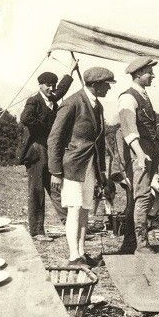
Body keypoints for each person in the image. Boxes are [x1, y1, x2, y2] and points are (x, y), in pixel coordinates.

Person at [48, 67, 115, 267]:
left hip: (90, 166)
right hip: (72, 166)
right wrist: (55, 172)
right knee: (75, 209)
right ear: (95, 85)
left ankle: (82, 253)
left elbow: (99, 141)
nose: (109, 89)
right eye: (107, 85)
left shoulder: (98, 106)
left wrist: (101, 170)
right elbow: (54, 139)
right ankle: (73, 257)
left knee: (85, 209)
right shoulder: (72, 103)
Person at [18, 62, 77, 241]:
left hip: (49, 151)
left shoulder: (52, 98)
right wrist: (48, 130)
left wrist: (71, 71)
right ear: (40, 85)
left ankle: (70, 226)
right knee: (36, 191)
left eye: (53, 85)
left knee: (55, 187)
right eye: (48, 85)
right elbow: (25, 118)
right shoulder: (34, 100)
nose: (51, 88)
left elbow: (61, 90)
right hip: (36, 151)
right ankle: (36, 232)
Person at [118, 56, 159, 254]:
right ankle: (141, 245)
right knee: (141, 197)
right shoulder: (128, 97)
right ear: (139, 74)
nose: (153, 76)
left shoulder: (143, 95)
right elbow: (128, 129)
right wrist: (140, 154)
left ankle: (130, 242)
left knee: (139, 198)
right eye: (149, 73)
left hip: (148, 153)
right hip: (138, 154)